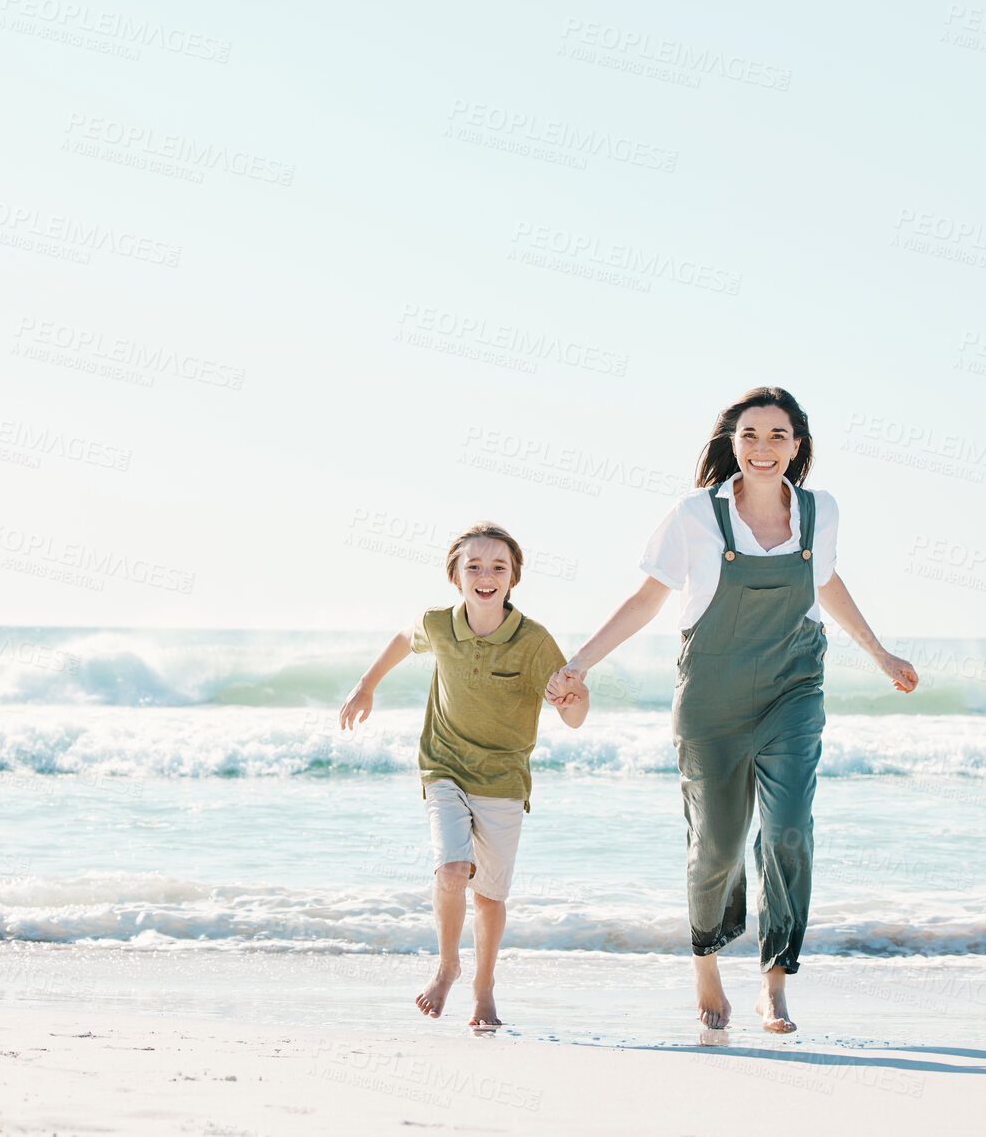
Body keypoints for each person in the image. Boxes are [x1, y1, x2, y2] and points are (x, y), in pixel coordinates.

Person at [546, 387, 917, 1034]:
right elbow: (644, 600)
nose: (763, 448)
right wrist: (580, 663)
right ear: (731, 443)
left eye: (777, 435)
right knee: (715, 846)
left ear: (798, 445)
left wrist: (880, 653)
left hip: (792, 693)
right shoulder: (694, 514)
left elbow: (823, 580)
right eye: (750, 435)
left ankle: (774, 981)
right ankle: (706, 962)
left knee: (788, 831)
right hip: (710, 701)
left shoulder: (819, 511)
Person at [341, 521, 589, 1028]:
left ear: (513, 577)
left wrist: (574, 700)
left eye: (498, 566)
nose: (485, 574)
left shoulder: (535, 640)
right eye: (473, 565)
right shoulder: (438, 625)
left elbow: (574, 715)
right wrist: (366, 686)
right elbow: (401, 638)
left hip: (503, 779)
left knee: (490, 896)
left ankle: (484, 985)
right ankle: (448, 965)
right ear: (455, 575)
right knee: (451, 869)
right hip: (444, 766)